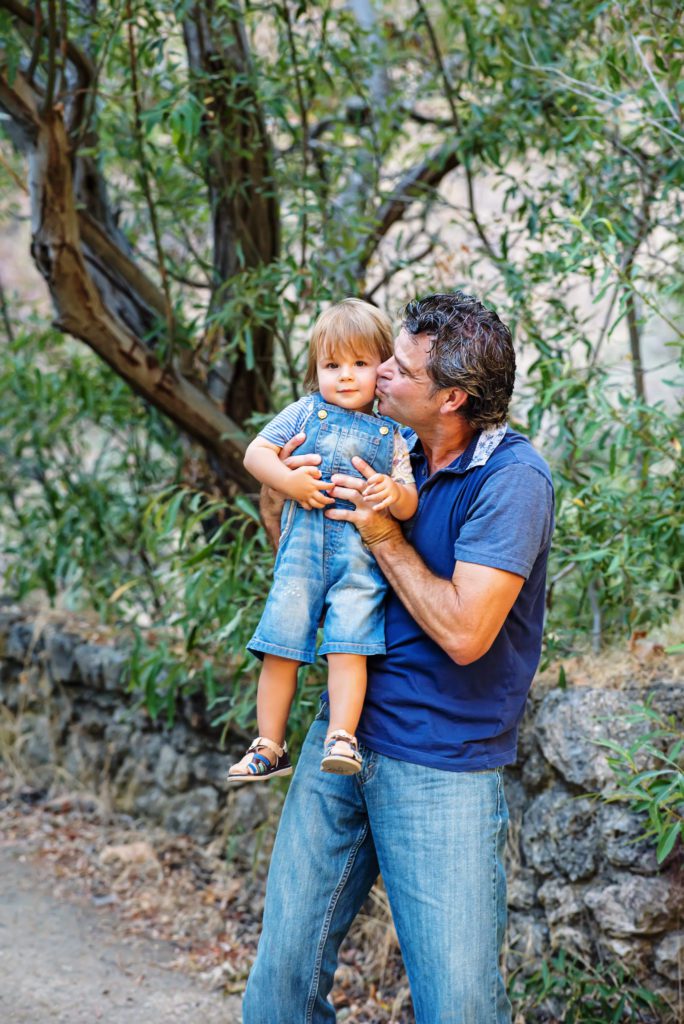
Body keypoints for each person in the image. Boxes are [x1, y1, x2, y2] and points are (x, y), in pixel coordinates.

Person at [242, 291, 555, 1023]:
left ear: (452, 397)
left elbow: (465, 633)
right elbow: (313, 562)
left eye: (398, 367)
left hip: (441, 764)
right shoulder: (384, 442)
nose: (377, 371)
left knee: (459, 1007)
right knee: (279, 989)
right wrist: (284, 504)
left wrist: (385, 533)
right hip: (342, 739)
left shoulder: (512, 481)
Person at [228, 299, 418, 782]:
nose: (347, 376)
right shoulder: (304, 413)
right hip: (301, 559)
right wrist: (289, 483)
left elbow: (409, 501)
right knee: (280, 646)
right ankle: (269, 743)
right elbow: (256, 454)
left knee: (349, 646)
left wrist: (391, 493)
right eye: (332, 365)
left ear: (384, 368)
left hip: (359, 565)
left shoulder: (395, 435)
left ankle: (342, 737)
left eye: (360, 363)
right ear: (316, 369)